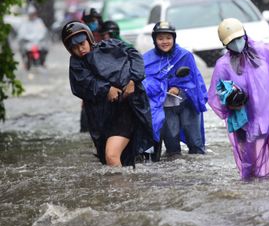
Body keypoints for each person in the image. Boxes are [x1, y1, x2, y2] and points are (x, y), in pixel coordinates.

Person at [208, 18, 269, 180]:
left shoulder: (264, 51)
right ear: (225, 44)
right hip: (245, 121)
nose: (237, 43)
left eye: (238, 38)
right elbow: (216, 94)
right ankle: (254, 195)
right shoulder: (223, 65)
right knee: (252, 164)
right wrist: (229, 104)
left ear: (245, 34)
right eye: (231, 41)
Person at [61, 21, 154, 167]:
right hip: (101, 117)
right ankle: (127, 189)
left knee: (112, 156)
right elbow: (84, 84)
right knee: (117, 160)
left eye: (82, 44)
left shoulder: (110, 46)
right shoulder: (76, 65)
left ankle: (118, 189)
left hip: (126, 110)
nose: (80, 49)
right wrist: (107, 89)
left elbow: (134, 54)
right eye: (75, 47)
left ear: (89, 38)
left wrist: (133, 80)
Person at [142, 21, 208, 158]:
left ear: (174, 38)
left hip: (187, 104)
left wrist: (180, 89)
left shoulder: (185, 56)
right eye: (160, 38)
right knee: (173, 150)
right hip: (165, 107)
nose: (164, 41)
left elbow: (195, 82)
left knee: (196, 146)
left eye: (168, 38)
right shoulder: (146, 60)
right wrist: (161, 88)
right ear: (154, 40)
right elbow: (143, 84)